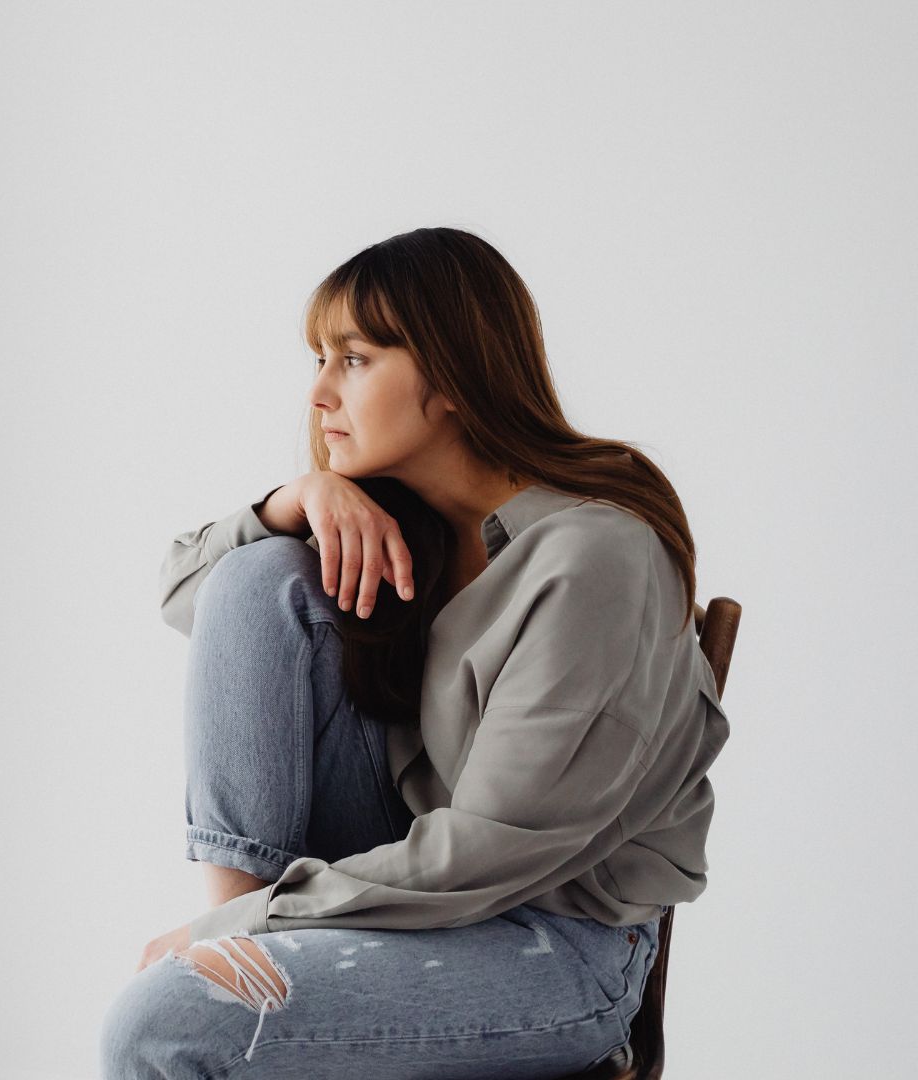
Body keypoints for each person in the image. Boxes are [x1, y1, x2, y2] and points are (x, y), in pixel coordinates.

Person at [101, 227, 730, 1079]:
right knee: (260, 578)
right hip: (404, 882)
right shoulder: (407, 536)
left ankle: (239, 962)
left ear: (453, 375)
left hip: (552, 943)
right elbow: (194, 599)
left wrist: (229, 935)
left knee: (166, 1023)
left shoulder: (594, 560)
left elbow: (495, 846)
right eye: (317, 360)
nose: (319, 394)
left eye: (353, 359)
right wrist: (296, 499)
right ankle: (244, 961)